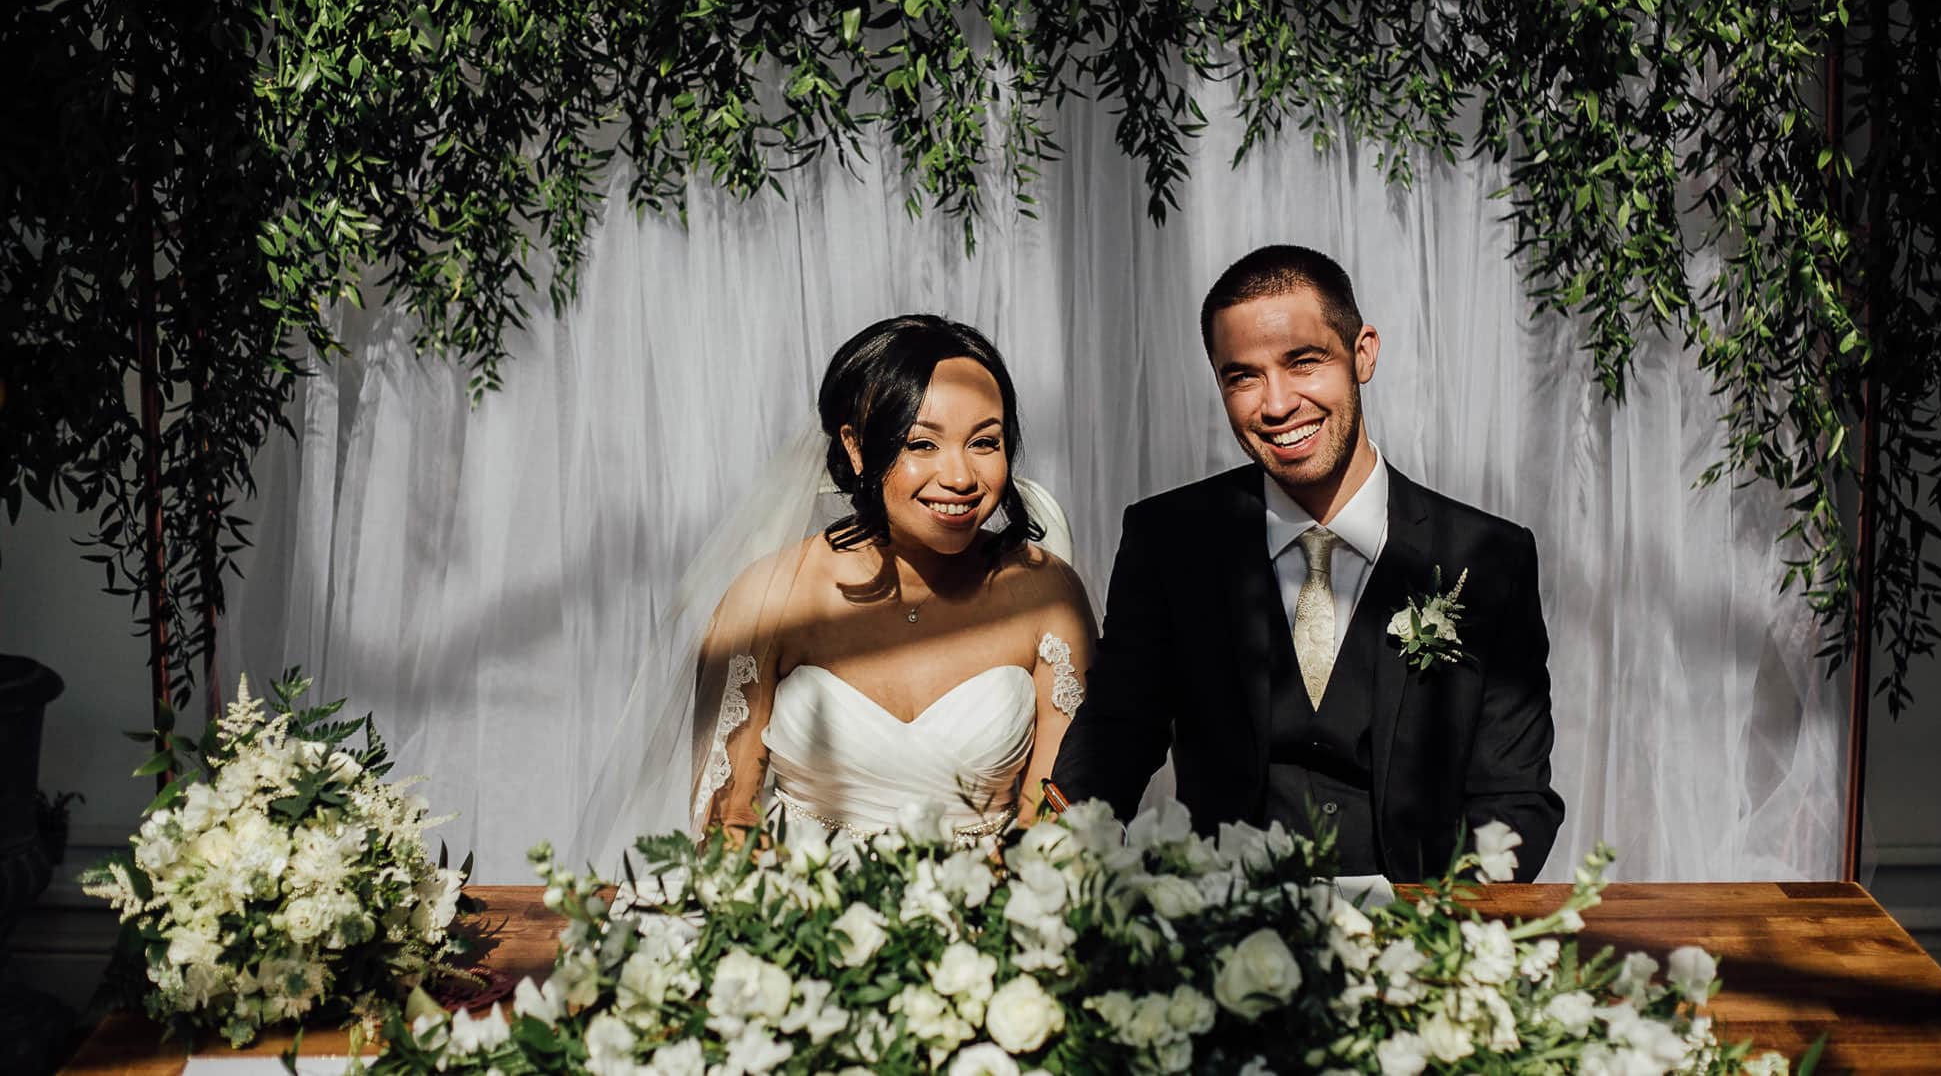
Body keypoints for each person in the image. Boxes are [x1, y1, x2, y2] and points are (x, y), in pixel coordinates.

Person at [1049, 245, 1564, 880]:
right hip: (1223, 931)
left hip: (1420, 936)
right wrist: (1057, 861)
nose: (1275, 404)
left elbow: (1512, 795)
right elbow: (1115, 736)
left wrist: (1438, 936)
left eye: (1304, 362)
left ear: (1363, 353)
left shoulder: (1486, 558)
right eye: (1242, 376)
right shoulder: (1170, 541)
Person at [615, 314, 1095, 851]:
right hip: (800, 915)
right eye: (922, 445)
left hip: (992, 912)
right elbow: (727, 823)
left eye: (985, 442)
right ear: (857, 446)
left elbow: (1055, 809)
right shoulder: (769, 598)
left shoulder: (1048, 596)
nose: (960, 478)